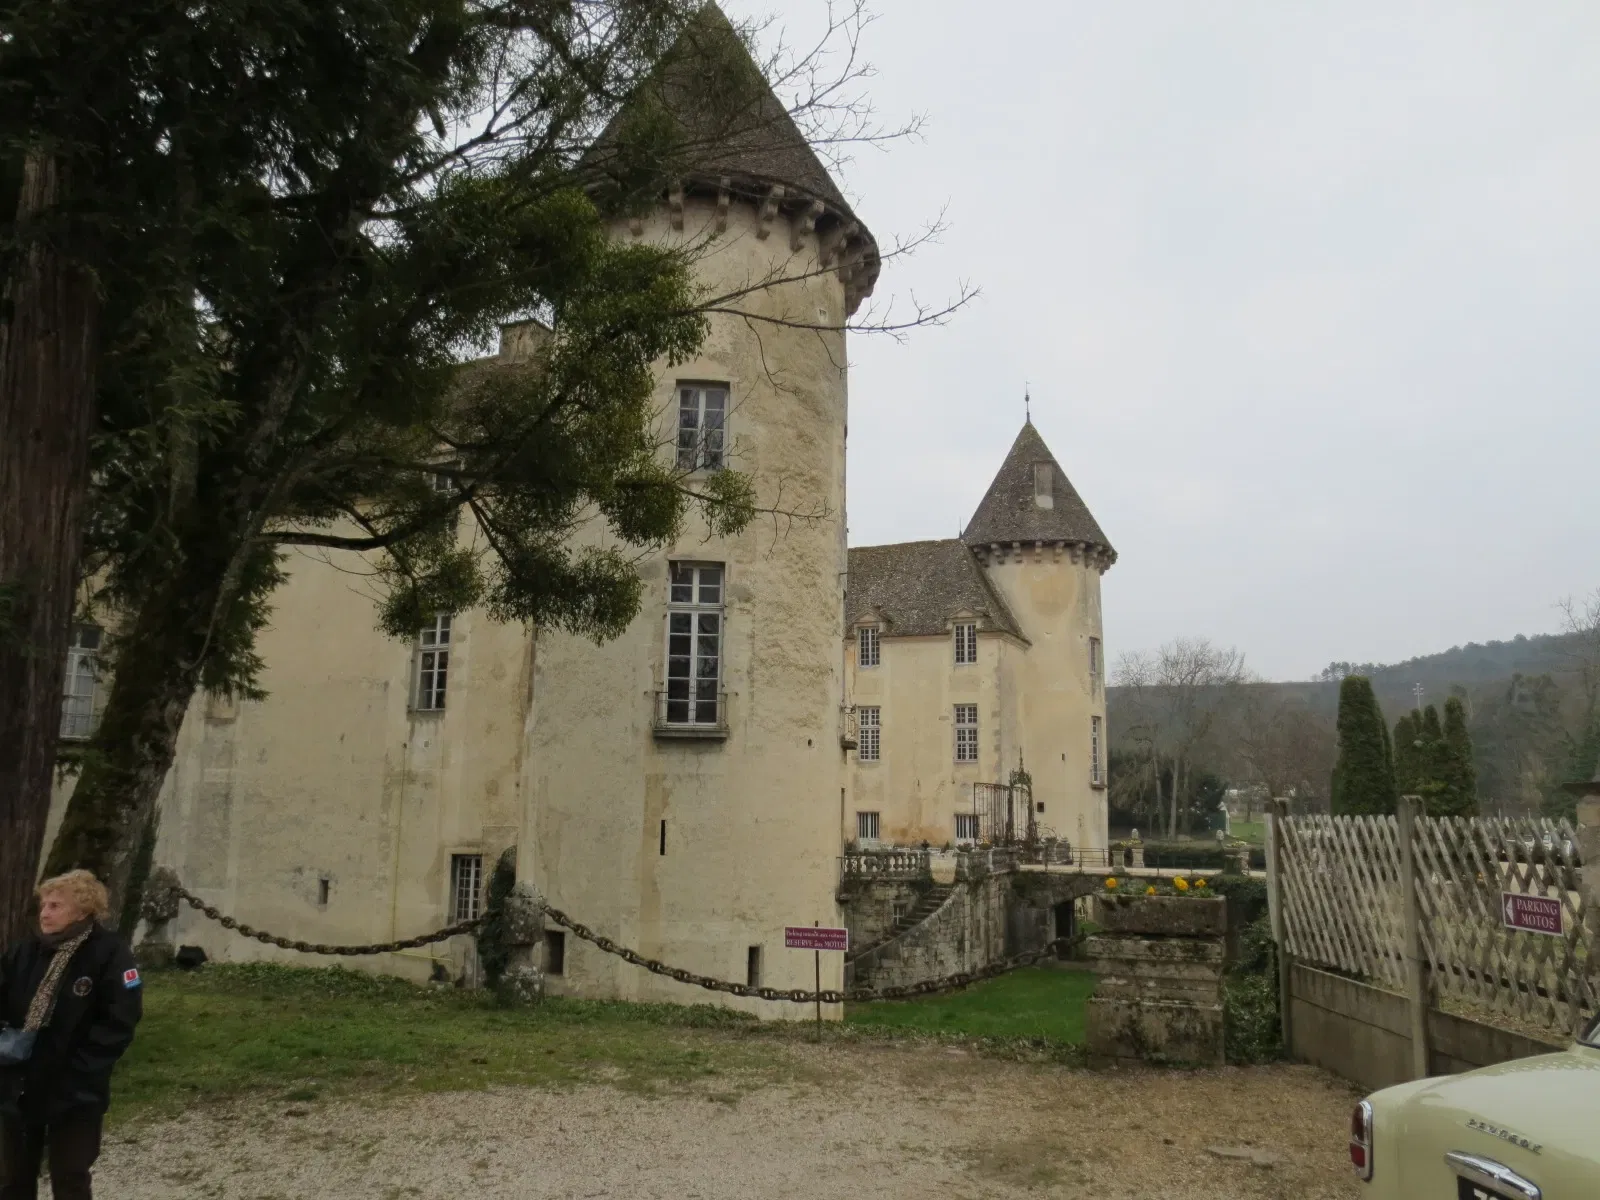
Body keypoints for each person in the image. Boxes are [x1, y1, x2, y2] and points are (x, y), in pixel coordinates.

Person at [0, 871, 142, 1200]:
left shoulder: (110, 954)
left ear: (82, 910)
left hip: (77, 1087)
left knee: (70, 1176)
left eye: (55, 905)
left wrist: (81, 1068)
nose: (45, 913)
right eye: (43, 905)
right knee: (12, 1179)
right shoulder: (24, 953)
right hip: (21, 1083)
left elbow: (120, 1019)